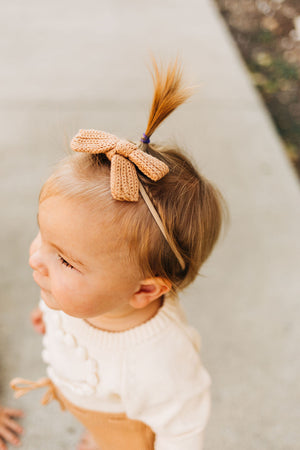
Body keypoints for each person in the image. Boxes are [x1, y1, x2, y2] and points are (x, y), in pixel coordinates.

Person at [10, 59, 226, 450]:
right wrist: (51, 314)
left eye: (64, 260)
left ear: (144, 291)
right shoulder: (76, 292)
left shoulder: (160, 362)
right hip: (90, 404)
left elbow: (183, 431)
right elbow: (61, 276)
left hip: (128, 431)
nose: (36, 260)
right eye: (43, 237)